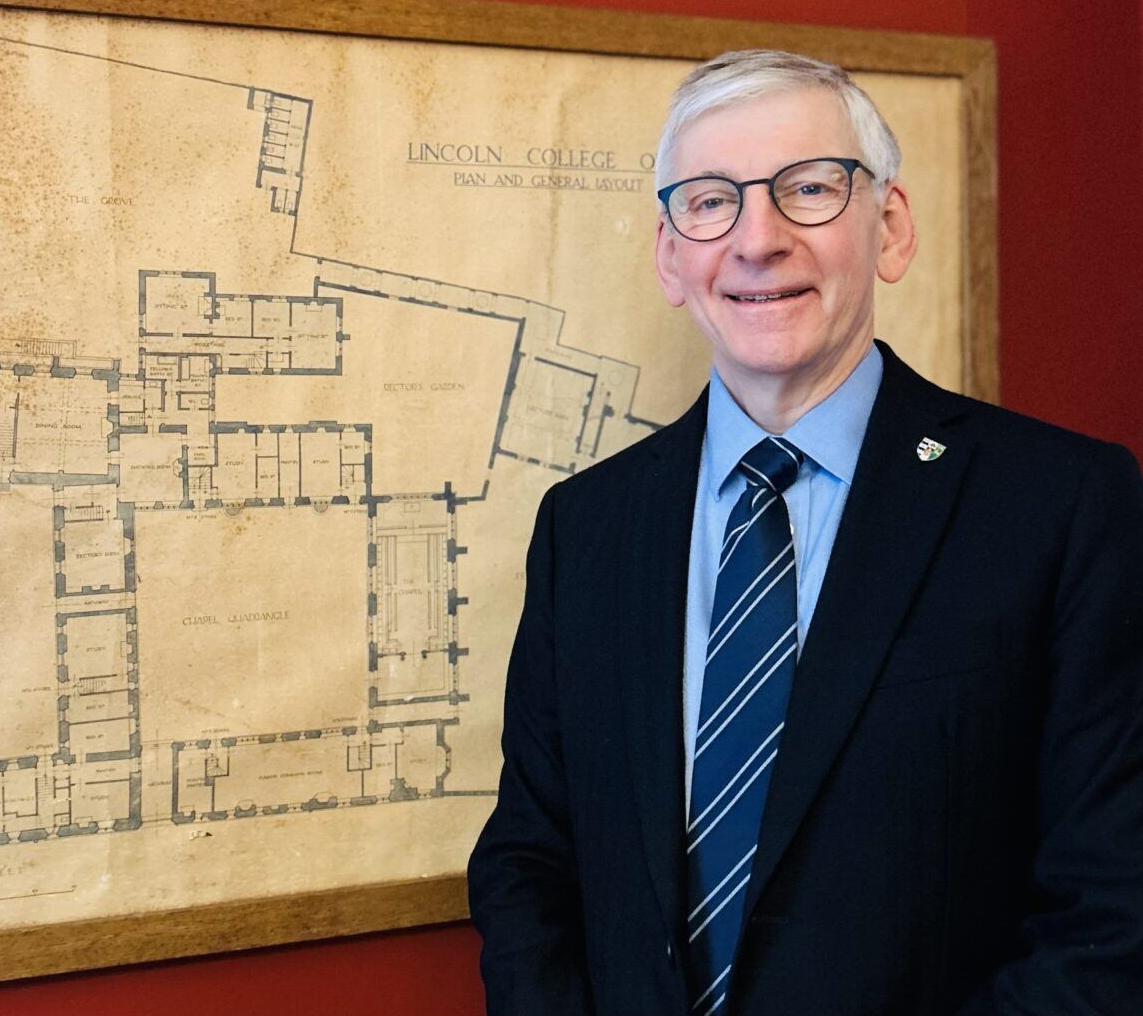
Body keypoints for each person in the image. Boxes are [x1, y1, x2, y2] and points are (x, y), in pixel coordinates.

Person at [466, 50, 1143, 1015]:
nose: (758, 240)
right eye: (711, 201)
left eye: (810, 189)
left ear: (891, 229)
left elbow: (1112, 910)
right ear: (670, 254)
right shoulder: (587, 529)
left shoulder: (1061, 506)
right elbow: (529, 863)